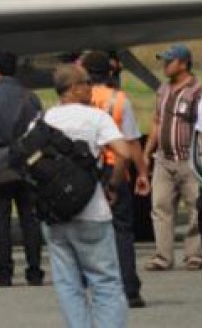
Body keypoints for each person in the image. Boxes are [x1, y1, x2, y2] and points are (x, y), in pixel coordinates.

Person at [42, 64, 130, 328]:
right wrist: (112, 185)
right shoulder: (96, 117)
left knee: (68, 284)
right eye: (87, 83)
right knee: (105, 282)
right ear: (73, 88)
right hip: (91, 210)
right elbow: (124, 153)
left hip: (55, 214)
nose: (91, 87)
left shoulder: (43, 119)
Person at [81, 50, 150, 307]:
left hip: (86, 170)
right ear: (110, 72)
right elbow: (131, 142)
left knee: (88, 231)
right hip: (115, 169)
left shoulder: (79, 99)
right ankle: (129, 289)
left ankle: (91, 287)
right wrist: (142, 172)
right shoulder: (119, 100)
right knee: (122, 230)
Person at [0, 50, 44, 287]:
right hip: (26, 160)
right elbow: (39, 131)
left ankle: (4, 272)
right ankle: (34, 270)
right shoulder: (30, 97)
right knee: (30, 218)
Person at [142, 43, 202, 271]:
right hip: (164, 160)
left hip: (190, 159)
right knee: (160, 207)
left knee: (196, 207)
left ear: (183, 64)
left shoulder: (197, 91)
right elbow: (157, 121)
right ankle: (163, 256)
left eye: (169, 61)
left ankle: (194, 254)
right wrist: (148, 153)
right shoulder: (163, 90)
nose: (165, 66)